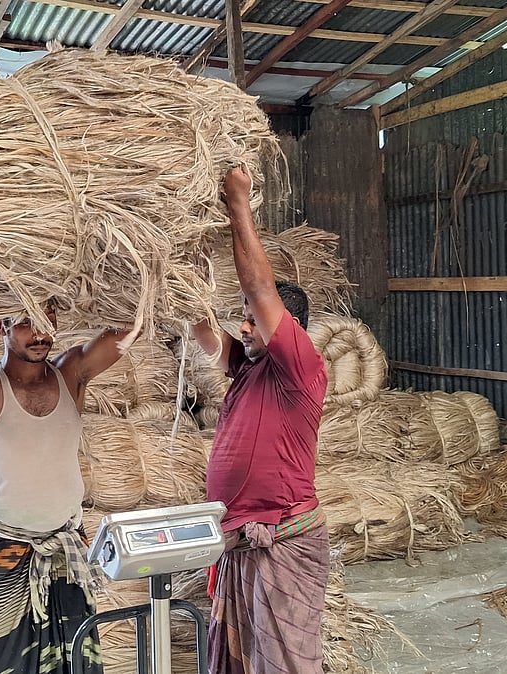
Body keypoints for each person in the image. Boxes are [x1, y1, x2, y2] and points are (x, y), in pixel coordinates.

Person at [0, 303, 129, 673]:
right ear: (0, 324)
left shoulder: (72, 373)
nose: (39, 333)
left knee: (76, 662)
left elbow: (129, 330)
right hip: (6, 549)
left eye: (46, 318)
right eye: (25, 322)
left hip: (68, 545)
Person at [190, 166, 330, 674]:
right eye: (241, 317)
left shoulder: (300, 369)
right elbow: (203, 331)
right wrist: (180, 264)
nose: (243, 326)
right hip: (238, 541)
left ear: (283, 326)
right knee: (237, 663)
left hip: (283, 543)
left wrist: (239, 205)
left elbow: (259, 285)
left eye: (251, 317)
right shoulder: (245, 367)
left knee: (283, 666)